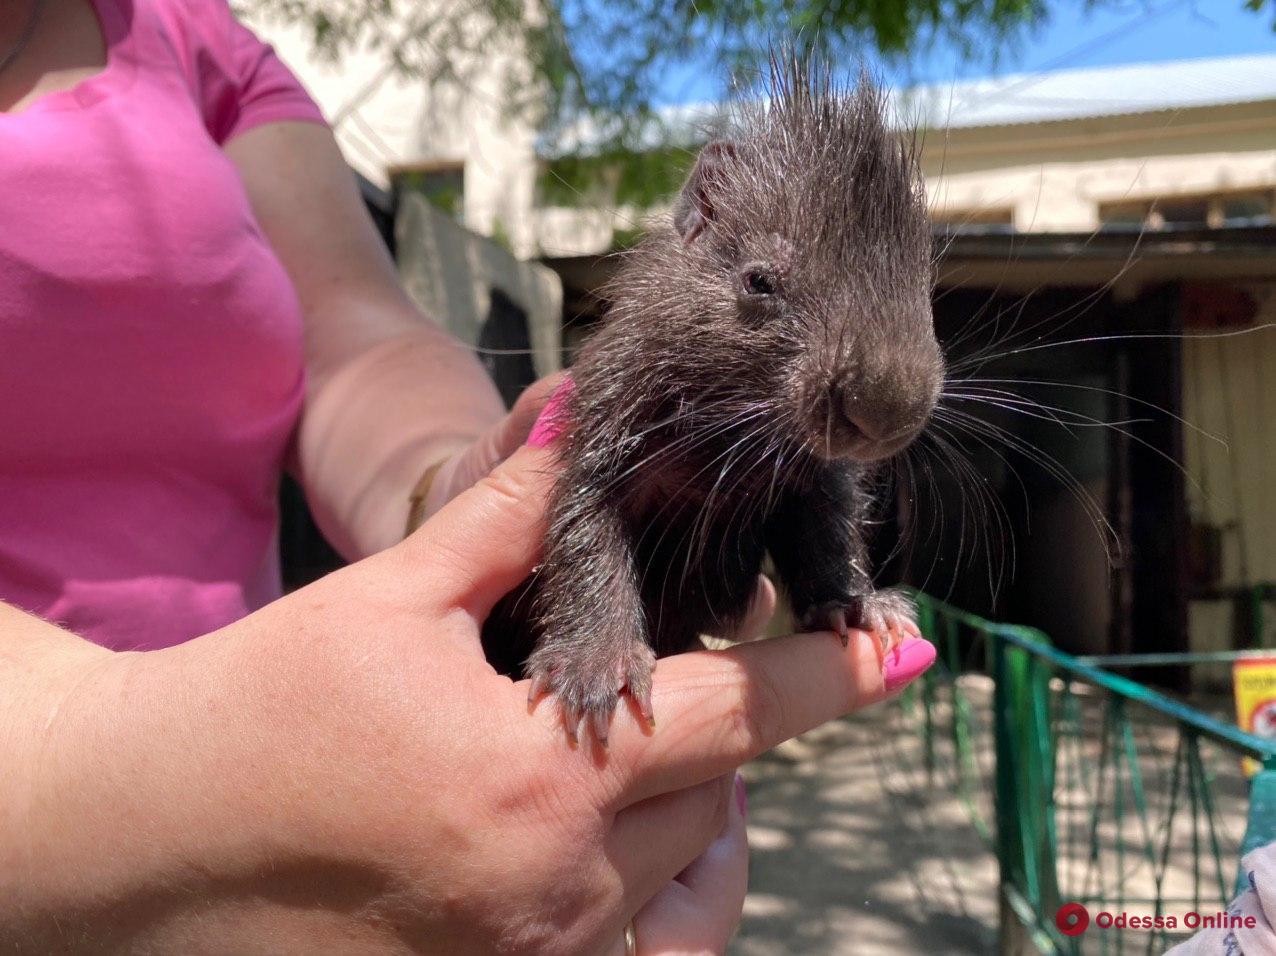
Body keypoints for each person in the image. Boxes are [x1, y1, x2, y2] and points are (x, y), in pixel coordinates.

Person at [0, 0, 938, 951]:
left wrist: (449, 491)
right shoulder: (653, 360)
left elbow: (354, 345)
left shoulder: (203, 45)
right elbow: (598, 499)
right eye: (770, 292)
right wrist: (74, 775)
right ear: (703, 220)